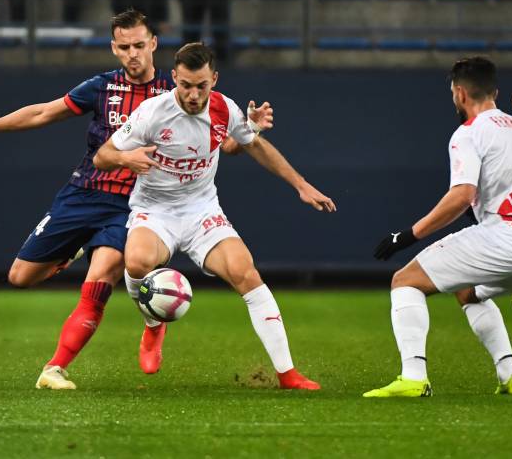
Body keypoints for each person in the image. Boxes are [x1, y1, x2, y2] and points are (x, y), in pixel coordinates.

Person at [0, 10, 273, 390]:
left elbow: (226, 142)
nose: (132, 53)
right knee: (20, 277)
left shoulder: (181, 91)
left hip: (133, 205)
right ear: (114, 48)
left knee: (100, 277)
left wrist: (248, 128)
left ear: (153, 44)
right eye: (124, 47)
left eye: (139, 45)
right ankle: (74, 251)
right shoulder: (102, 87)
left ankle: (55, 368)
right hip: (84, 192)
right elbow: (42, 113)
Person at [93, 42, 335, 390]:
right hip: (155, 210)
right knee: (136, 263)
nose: (193, 94)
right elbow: (103, 155)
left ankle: (287, 374)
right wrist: (125, 159)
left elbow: (247, 145)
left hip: (201, 210)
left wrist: (301, 185)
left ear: (214, 80)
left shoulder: (225, 109)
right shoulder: (151, 113)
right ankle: (152, 324)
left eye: (201, 86)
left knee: (245, 272)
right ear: (174, 77)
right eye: (186, 85)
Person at [366, 56, 512, 398]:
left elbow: (461, 196)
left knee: (405, 281)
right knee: (467, 291)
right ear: (496, 92)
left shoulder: (469, 133)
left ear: (459, 93)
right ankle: (510, 375)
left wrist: (406, 236)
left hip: (505, 241)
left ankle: (413, 377)